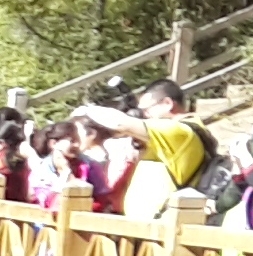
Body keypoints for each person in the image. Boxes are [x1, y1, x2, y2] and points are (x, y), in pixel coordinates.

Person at [71, 78, 208, 223]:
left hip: (158, 228)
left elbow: (119, 123)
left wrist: (87, 110)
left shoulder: (180, 131)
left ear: (167, 104)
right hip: (147, 227)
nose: (143, 115)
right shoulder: (171, 135)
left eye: (145, 110)